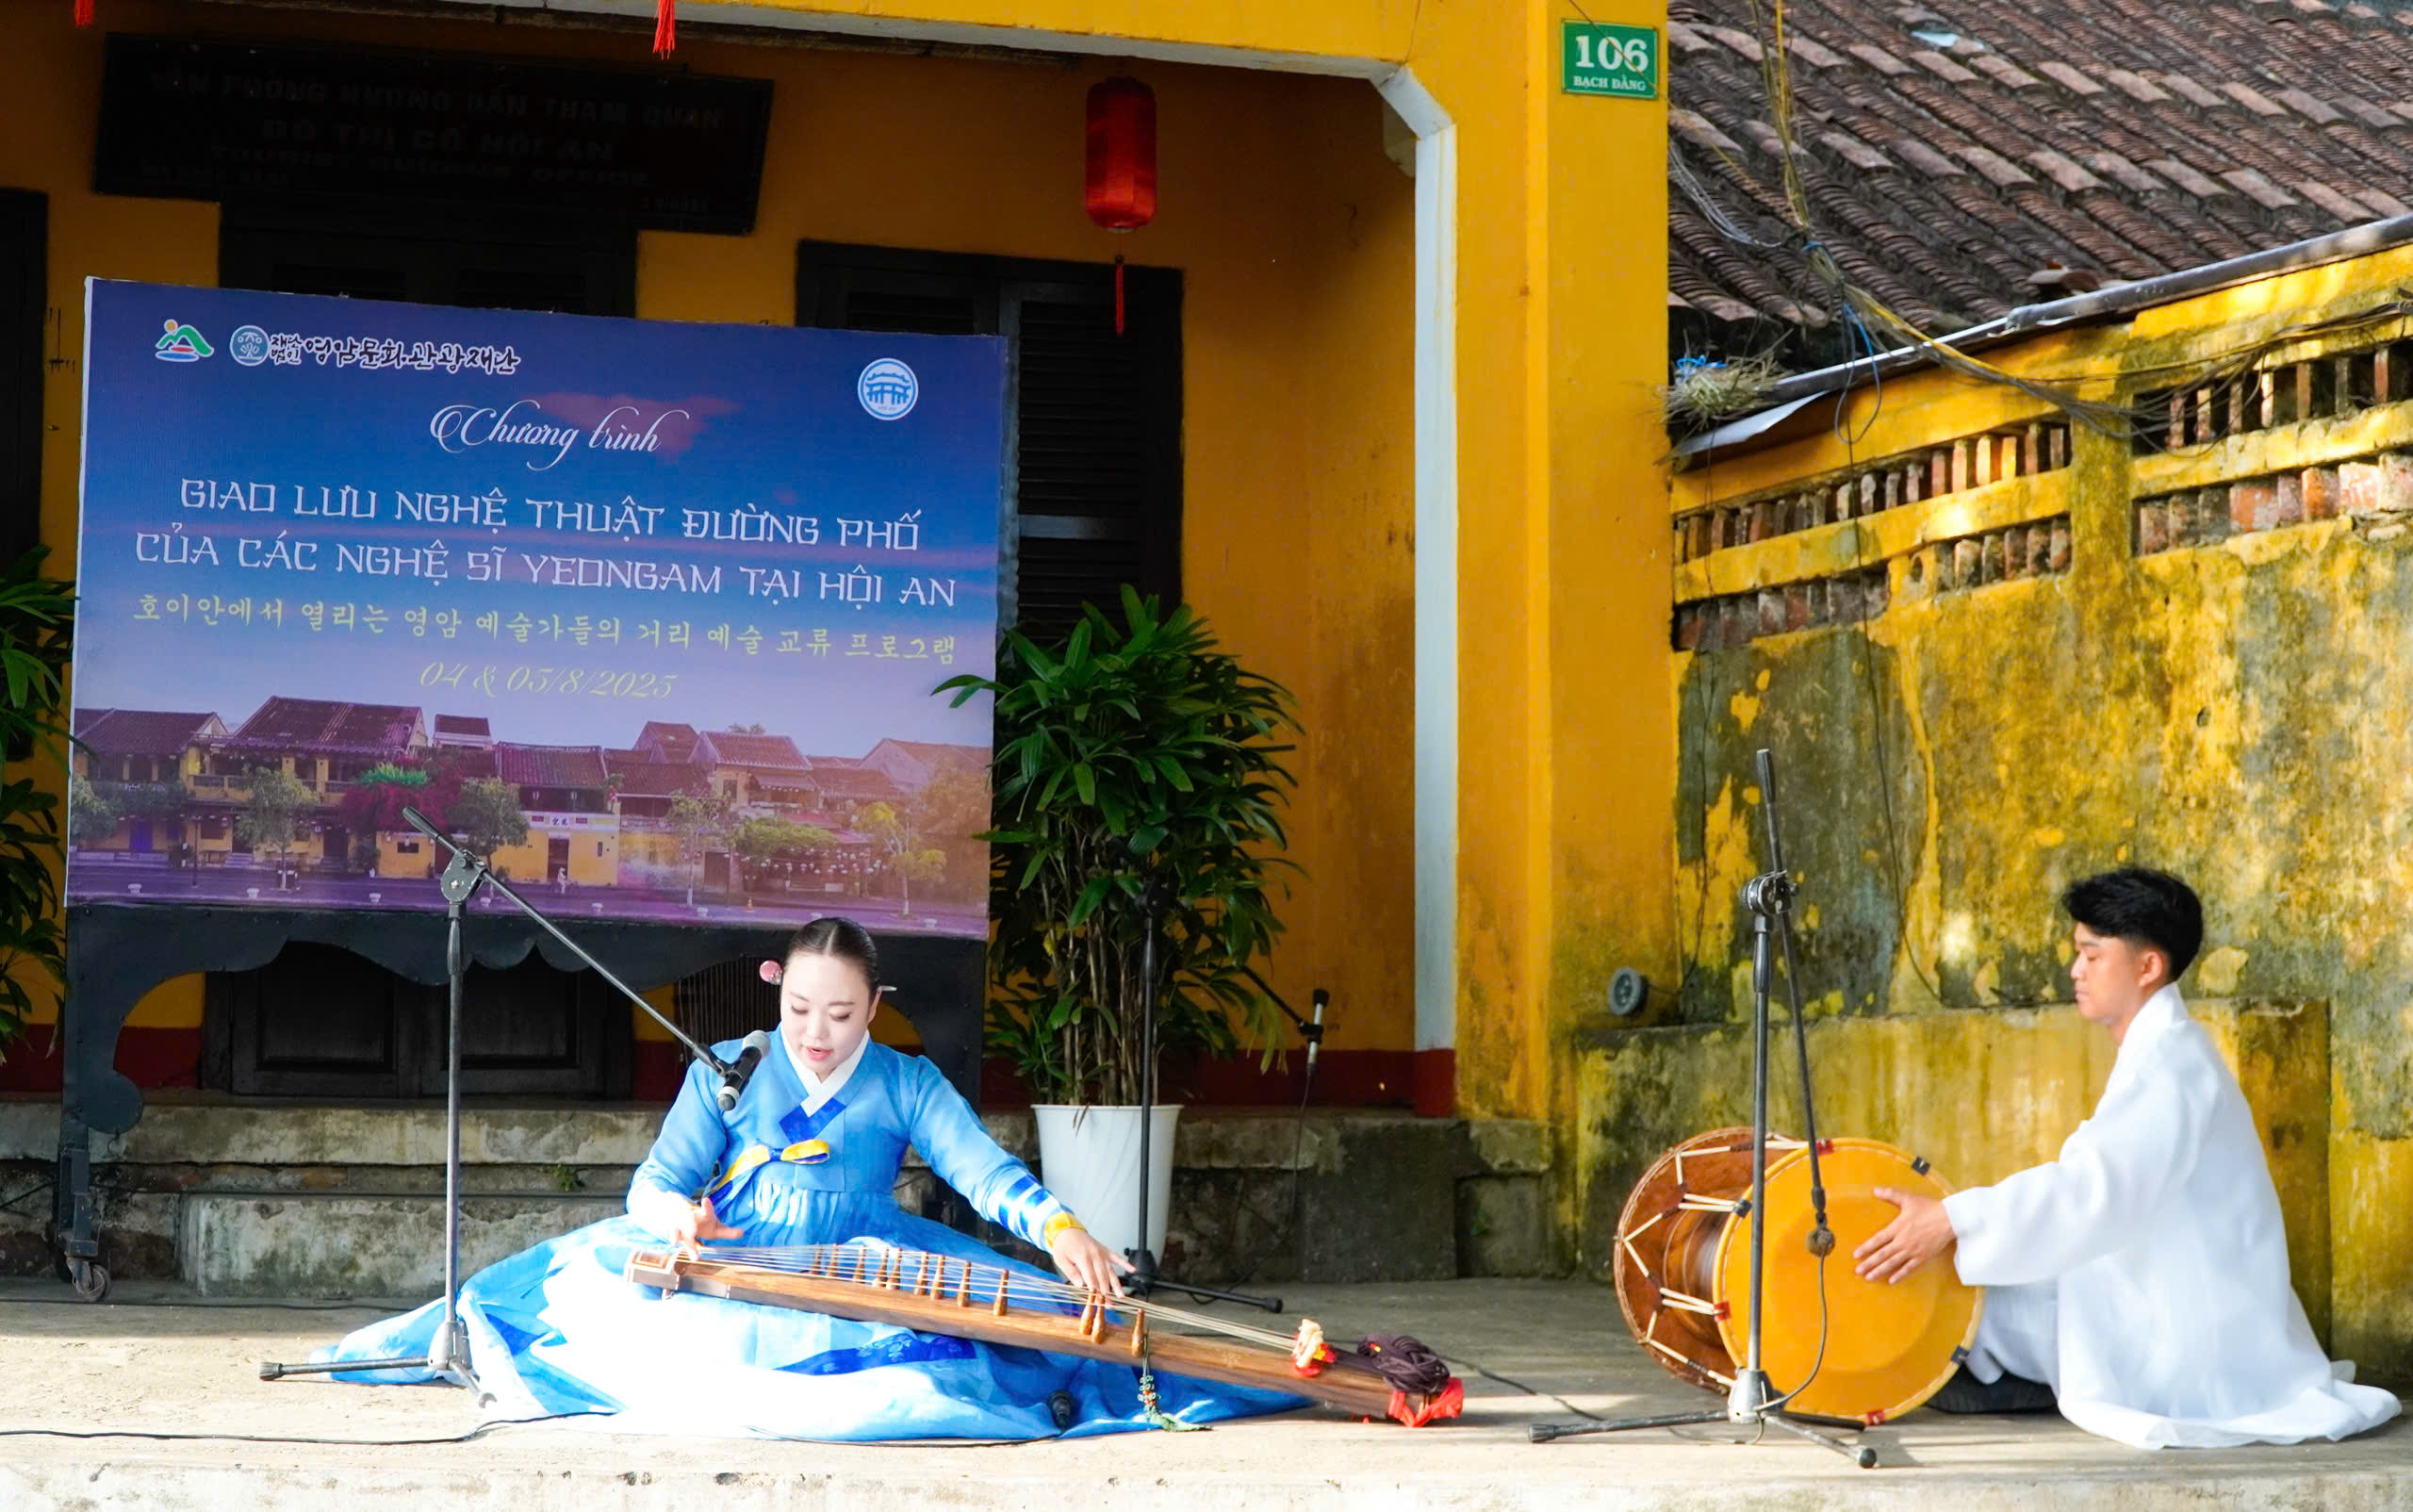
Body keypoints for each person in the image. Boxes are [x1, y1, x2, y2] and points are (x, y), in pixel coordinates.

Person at [311, 916, 1305, 1439]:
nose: (819, 1037)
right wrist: (680, 1221)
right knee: (549, 1306)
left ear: (875, 1004)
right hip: (738, 1259)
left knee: (1044, 1347)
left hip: (876, 1256)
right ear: (773, 987)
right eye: (802, 1011)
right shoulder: (732, 1064)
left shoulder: (907, 1081)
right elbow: (652, 1184)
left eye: (843, 1014)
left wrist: (1059, 1227)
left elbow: (981, 1167)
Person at [1854, 867, 2402, 1449]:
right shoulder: (2166, 1052)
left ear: (2148, 967)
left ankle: (2007, 1376)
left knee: (1960, 1308)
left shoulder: (2172, 1067)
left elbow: (2092, 1192)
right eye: (2077, 953)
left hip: (2185, 1337)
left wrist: (1950, 1219)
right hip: (2178, 1303)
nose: (2075, 970)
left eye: (2092, 955)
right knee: (1989, 1287)